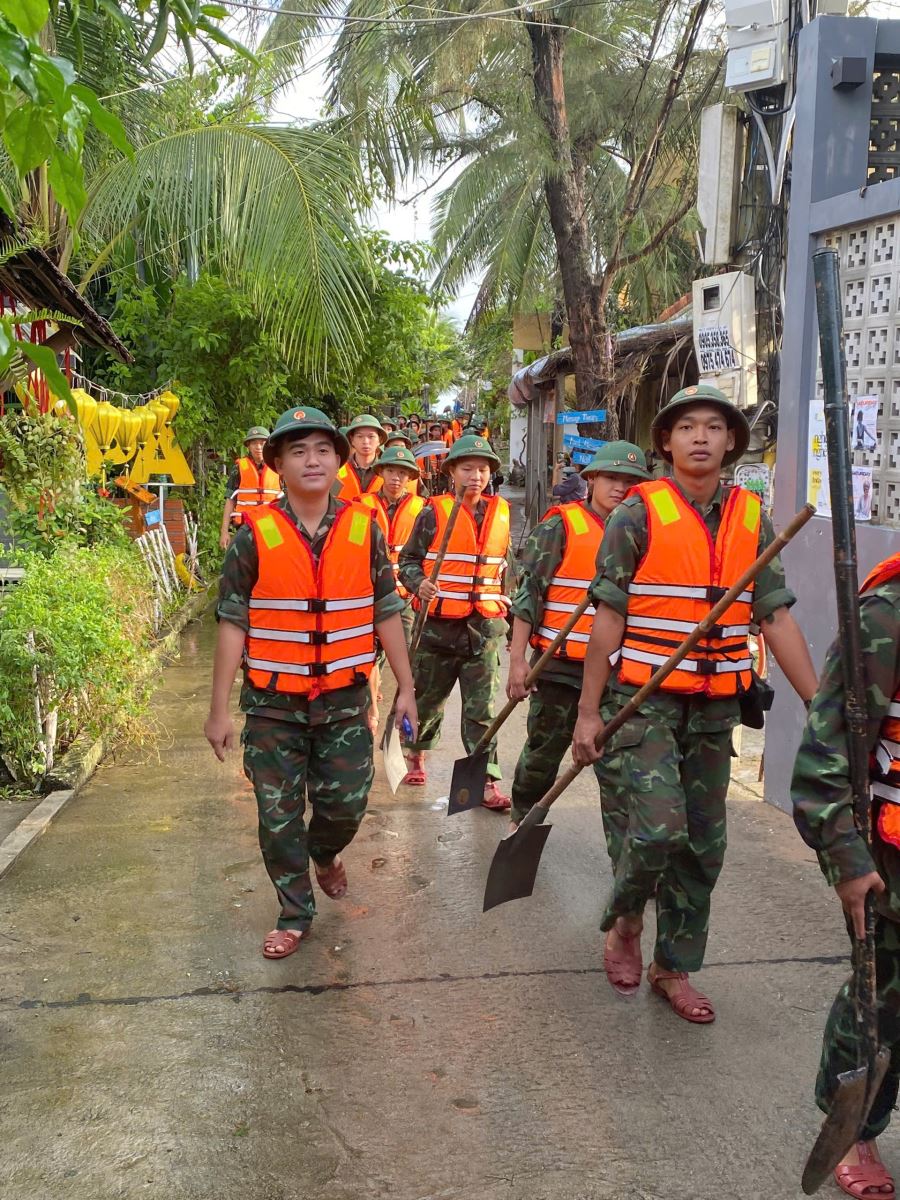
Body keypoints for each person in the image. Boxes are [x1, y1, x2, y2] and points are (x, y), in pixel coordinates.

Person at [572, 383, 818, 1020]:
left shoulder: (750, 517)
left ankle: (672, 966)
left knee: (703, 848)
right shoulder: (637, 514)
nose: (701, 437)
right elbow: (608, 619)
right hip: (643, 703)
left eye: (714, 426)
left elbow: (776, 619)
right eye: (687, 428)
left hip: (714, 710)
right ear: (666, 442)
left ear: (732, 440)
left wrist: (818, 701)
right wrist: (588, 711)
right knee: (658, 828)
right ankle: (626, 919)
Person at [205, 404, 417, 960]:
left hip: (345, 700)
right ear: (277, 463)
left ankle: (325, 854)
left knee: (344, 806)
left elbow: (386, 610)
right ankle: (294, 910)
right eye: (297, 450)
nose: (312, 459)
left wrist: (406, 688)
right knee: (277, 818)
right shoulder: (253, 537)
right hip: (274, 705)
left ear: (339, 461)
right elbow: (233, 622)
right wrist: (219, 709)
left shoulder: (363, 529)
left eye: (323, 449)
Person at [792, 551, 900, 1200]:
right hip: (893, 870)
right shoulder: (885, 619)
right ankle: (856, 1124)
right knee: (883, 1002)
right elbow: (822, 760)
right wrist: (846, 860)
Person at [507, 443, 649, 831]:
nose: (621, 488)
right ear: (591, 480)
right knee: (543, 754)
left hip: (619, 673)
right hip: (560, 667)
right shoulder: (560, 525)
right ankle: (523, 819)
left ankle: (628, 859)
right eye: (612, 478)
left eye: (631, 482)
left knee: (619, 768)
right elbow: (528, 593)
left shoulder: (644, 530)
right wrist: (518, 660)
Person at [398, 433, 514, 810]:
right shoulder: (433, 512)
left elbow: (505, 569)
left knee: (482, 713)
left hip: (484, 632)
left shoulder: (501, 513)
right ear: (451, 472)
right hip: (438, 629)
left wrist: (512, 609)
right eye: (468, 468)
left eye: (482, 469)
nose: (476, 476)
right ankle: (415, 752)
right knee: (427, 701)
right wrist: (420, 584)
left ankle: (484, 782)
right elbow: (408, 562)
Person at [361, 445, 425, 645]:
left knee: (406, 652)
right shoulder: (361, 506)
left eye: (402, 473)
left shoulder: (423, 508)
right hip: (371, 592)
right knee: (368, 654)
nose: (395, 478)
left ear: (410, 478)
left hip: (406, 594)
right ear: (381, 472)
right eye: (390, 471)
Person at [220, 426, 281, 549]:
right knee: (244, 558)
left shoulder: (278, 466)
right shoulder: (239, 468)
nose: (258, 447)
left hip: (269, 522)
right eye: (254, 443)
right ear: (248, 446)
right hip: (245, 522)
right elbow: (230, 499)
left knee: (273, 556)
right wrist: (224, 531)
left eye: (262, 443)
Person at [333, 414, 386, 501]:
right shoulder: (337, 471)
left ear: (379, 440)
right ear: (352, 440)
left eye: (371, 436)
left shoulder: (387, 472)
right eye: (360, 436)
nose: (365, 441)